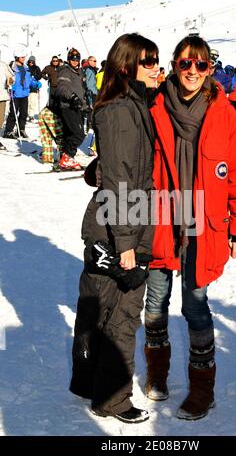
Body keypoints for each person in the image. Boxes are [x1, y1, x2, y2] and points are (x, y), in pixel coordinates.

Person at [144, 35, 236, 420]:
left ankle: (201, 390)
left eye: (201, 65)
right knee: (154, 303)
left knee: (195, 306)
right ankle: (157, 374)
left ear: (210, 69)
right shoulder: (154, 105)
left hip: (204, 226)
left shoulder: (225, 114)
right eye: (185, 64)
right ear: (174, 65)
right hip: (161, 218)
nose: (192, 72)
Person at [70, 33, 159, 423]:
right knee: (122, 313)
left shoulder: (129, 104)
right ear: (126, 66)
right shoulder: (123, 110)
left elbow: (112, 168)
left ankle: (88, 383)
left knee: (98, 308)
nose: (158, 67)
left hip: (113, 222)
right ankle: (112, 400)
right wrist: (127, 242)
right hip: (122, 225)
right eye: (149, 60)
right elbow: (121, 180)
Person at [56, 48, 86, 170]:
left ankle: (65, 156)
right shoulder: (65, 71)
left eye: (77, 59)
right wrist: (72, 97)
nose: (75, 61)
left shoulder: (78, 72)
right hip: (68, 106)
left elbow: (80, 92)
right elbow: (62, 88)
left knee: (70, 134)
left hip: (76, 106)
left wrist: (85, 105)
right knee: (79, 134)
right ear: (68, 60)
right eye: (73, 59)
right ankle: (68, 156)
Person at [3, 48, 32, 139]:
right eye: (22, 57)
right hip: (16, 94)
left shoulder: (26, 68)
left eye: (24, 57)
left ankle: (21, 129)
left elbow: (28, 79)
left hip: (25, 94)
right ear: (17, 57)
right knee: (13, 113)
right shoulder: (12, 68)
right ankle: (8, 131)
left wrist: (35, 83)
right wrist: (11, 87)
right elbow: (9, 80)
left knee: (24, 113)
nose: (24, 58)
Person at [0, 60, 14, 134]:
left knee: (0, 119)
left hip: (1, 96)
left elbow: (11, 76)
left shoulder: (3, 65)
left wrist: (10, 81)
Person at [27, 55, 42, 122]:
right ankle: (26, 114)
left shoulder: (36, 68)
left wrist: (35, 78)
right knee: (27, 102)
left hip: (33, 88)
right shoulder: (26, 67)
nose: (31, 63)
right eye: (30, 61)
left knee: (32, 102)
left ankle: (31, 115)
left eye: (32, 61)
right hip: (26, 87)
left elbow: (40, 76)